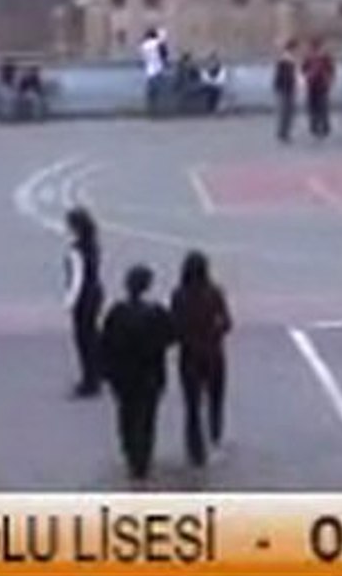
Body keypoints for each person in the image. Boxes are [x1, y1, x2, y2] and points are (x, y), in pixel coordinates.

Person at [99, 264, 177, 484]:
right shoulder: (157, 312)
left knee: (126, 415)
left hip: (123, 375)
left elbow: (104, 343)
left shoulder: (117, 312)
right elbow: (172, 336)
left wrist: (106, 371)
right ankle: (143, 459)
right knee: (147, 418)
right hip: (150, 374)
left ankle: (131, 454)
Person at [170, 251, 232, 468]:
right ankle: (215, 433)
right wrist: (215, 334)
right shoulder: (214, 293)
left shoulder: (179, 294)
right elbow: (227, 323)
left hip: (189, 356)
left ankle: (195, 449)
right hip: (213, 354)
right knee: (216, 399)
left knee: (192, 405)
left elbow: (174, 326)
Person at [63, 207, 104, 397]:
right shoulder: (93, 245)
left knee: (83, 339)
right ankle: (97, 374)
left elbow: (77, 279)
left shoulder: (76, 250)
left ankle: (89, 381)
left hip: (84, 297)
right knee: (92, 336)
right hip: (95, 293)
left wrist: (69, 301)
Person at [301, 38, 335, 139]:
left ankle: (320, 127)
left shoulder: (322, 58)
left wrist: (328, 80)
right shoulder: (315, 58)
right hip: (316, 86)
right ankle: (320, 127)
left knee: (318, 108)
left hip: (318, 86)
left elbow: (303, 70)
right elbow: (303, 70)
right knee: (318, 108)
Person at [272, 40, 298, 142]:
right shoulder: (287, 60)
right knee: (287, 111)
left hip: (285, 88)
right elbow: (286, 76)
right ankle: (284, 132)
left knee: (286, 111)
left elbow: (278, 76)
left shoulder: (285, 59)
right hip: (287, 88)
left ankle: (283, 132)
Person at [140, 30, 167, 116]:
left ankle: (151, 109)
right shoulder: (158, 43)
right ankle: (160, 110)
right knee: (160, 91)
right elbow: (164, 54)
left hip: (149, 71)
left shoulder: (143, 45)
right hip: (158, 69)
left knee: (151, 92)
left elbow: (143, 58)